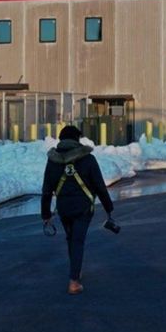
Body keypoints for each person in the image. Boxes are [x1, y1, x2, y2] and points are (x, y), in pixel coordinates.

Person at [41, 126, 114, 295]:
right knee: (78, 241)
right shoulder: (88, 159)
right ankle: (74, 281)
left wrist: (45, 214)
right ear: (76, 139)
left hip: (64, 209)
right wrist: (108, 208)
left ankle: (76, 269)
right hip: (83, 208)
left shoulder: (53, 161)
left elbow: (46, 190)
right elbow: (100, 187)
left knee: (71, 238)